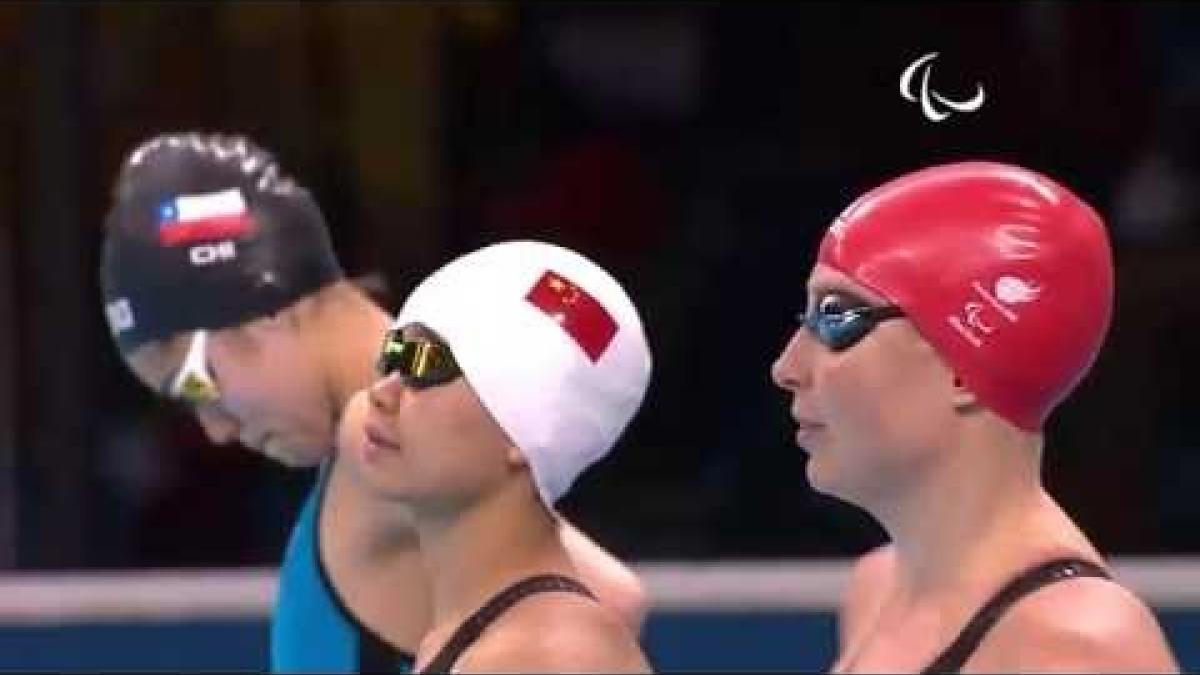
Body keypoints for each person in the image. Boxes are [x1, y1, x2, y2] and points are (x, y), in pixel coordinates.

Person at [98, 132, 648, 673]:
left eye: (196, 382)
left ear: (265, 306)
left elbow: (609, 601)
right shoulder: (400, 448)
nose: (213, 428)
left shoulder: (386, 438)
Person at [770, 161, 1180, 673]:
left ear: (964, 366)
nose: (786, 368)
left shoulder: (1076, 650)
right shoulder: (876, 592)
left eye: (836, 316)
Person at [338, 240, 653, 673]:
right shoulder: (483, 635)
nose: (382, 392)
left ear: (524, 434)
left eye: (427, 367)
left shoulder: (543, 658)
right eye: (395, 353)